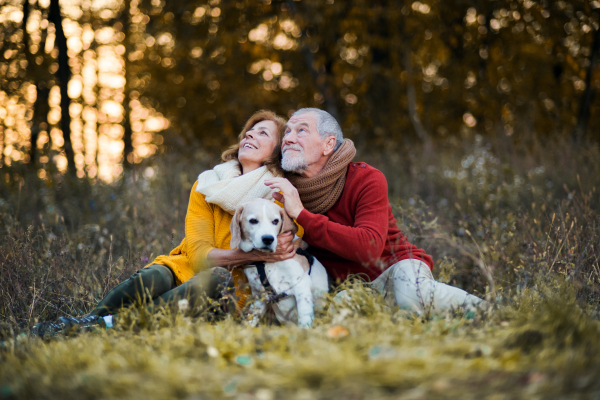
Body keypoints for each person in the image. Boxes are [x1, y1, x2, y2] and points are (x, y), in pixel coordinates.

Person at [34, 110, 297, 336]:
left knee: (215, 277)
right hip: (187, 268)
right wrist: (244, 254)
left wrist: (243, 257)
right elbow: (197, 255)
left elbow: (289, 241)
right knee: (155, 274)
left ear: (277, 151)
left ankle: (104, 329)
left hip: (233, 289)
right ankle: (78, 327)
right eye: (249, 131)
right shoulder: (208, 184)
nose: (249, 134)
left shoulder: (280, 193)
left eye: (263, 133)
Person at [265, 108, 488, 315]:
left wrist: (302, 214)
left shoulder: (365, 178)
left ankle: (487, 310)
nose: (288, 139)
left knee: (411, 296)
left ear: (328, 145)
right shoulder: (284, 190)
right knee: (338, 317)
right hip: (350, 286)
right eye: (287, 132)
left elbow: (368, 247)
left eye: (301, 130)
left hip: (396, 267)